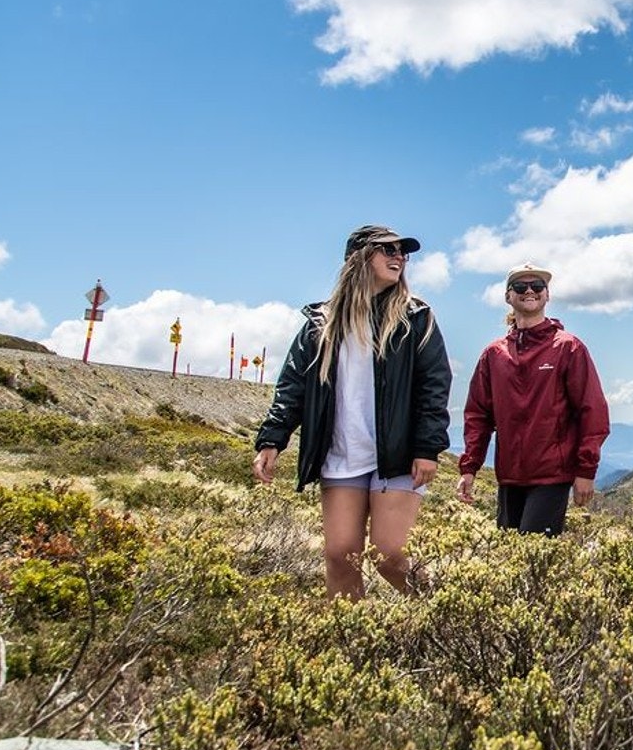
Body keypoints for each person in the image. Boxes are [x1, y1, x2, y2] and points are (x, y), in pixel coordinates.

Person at [253, 224, 452, 599]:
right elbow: (293, 386)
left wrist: (427, 448)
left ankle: (445, 616)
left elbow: (434, 387)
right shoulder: (321, 323)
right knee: (340, 557)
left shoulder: (415, 318)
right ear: (359, 258)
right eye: (388, 250)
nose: (399, 258)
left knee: (389, 556)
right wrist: (272, 439)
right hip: (342, 457)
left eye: (402, 252)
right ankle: (348, 646)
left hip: (397, 458)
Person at [456, 263, 610, 535]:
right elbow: (478, 416)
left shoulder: (568, 347)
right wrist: (469, 468)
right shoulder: (493, 354)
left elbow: (592, 411)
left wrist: (586, 471)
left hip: (552, 475)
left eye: (537, 286)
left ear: (547, 295)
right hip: (509, 477)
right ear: (508, 296)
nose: (530, 291)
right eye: (520, 286)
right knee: (509, 557)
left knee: (532, 557)